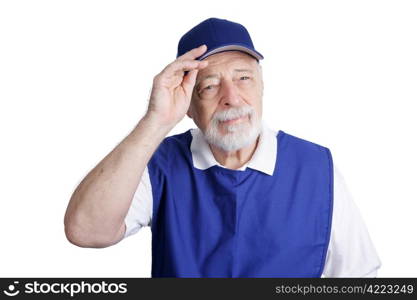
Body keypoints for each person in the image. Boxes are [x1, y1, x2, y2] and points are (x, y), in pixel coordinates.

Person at [64, 18, 381, 277]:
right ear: (187, 103)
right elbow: (86, 230)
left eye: (243, 78)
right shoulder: (157, 164)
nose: (232, 97)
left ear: (261, 85)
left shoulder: (315, 166)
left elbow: (360, 277)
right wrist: (156, 121)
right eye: (210, 86)